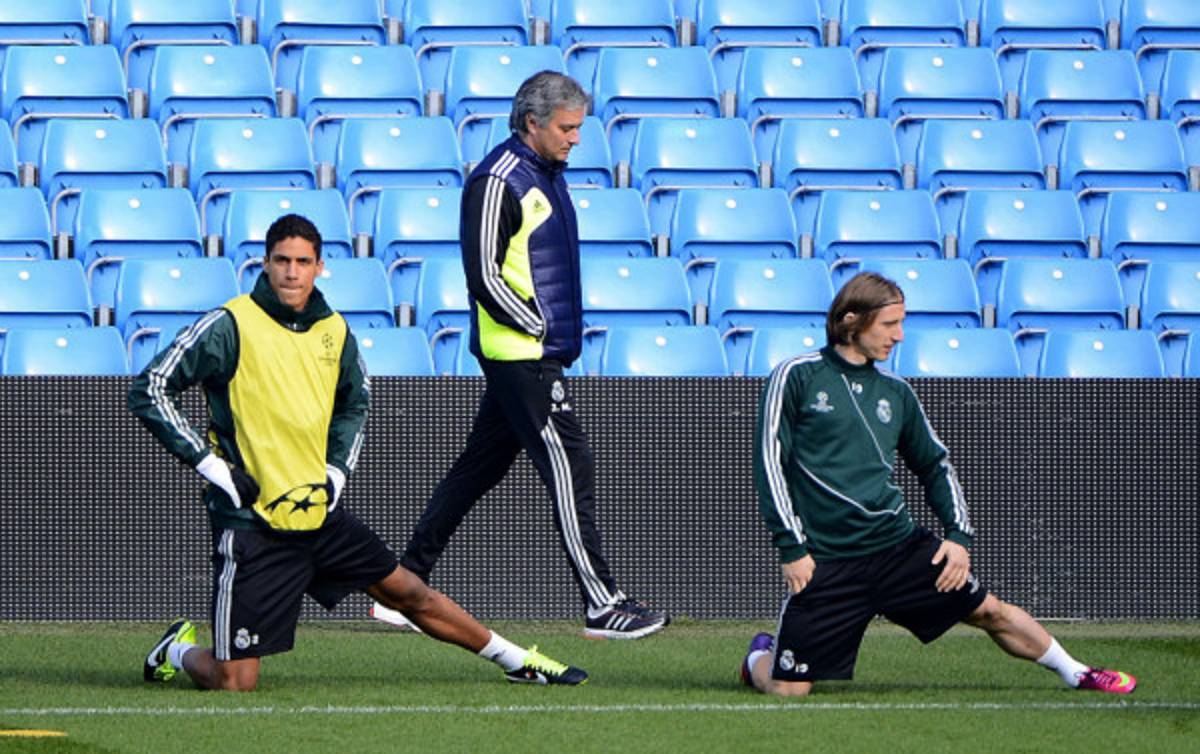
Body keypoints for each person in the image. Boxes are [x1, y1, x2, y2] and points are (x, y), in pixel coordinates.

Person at [128, 214, 587, 690]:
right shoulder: (228, 324)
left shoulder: (334, 329)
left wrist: (336, 471)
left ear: (319, 267)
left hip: (318, 514)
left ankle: (518, 661)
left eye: (303, 262)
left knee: (408, 592)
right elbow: (151, 388)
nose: (291, 272)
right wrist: (212, 467)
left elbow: (356, 400)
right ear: (264, 264)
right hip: (253, 526)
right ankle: (177, 650)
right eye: (282, 260)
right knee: (234, 682)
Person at [741, 271, 1136, 696]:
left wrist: (958, 537)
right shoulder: (796, 375)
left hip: (897, 548)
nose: (900, 336)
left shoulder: (898, 392)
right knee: (789, 691)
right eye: (890, 324)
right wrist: (792, 548)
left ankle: (1078, 672)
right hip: (827, 560)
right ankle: (756, 659)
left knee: (990, 610)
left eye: (902, 323)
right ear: (852, 320)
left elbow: (934, 465)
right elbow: (769, 463)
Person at [391, 71, 668, 640]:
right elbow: (484, 276)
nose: (575, 139)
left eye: (578, 128)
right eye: (566, 128)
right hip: (520, 354)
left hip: (532, 351)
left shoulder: (546, 173)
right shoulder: (498, 180)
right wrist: (538, 329)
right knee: (570, 467)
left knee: (477, 470)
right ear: (532, 123)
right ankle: (602, 604)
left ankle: (403, 587)